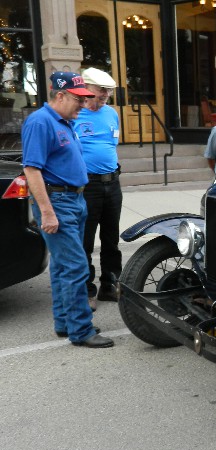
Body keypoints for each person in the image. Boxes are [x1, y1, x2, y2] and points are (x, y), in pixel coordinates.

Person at [21, 71, 114, 348]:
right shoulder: (41, 122)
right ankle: (82, 330)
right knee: (75, 266)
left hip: (74, 200)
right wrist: (47, 212)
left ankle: (65, 322)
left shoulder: (64, 120)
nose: (83, 105)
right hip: (58, 203)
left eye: (86, 99)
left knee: (63, 266)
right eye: (78, 99)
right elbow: (31, 169)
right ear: (60, 95)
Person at [74, 67, 122, 312]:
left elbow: (112, 144)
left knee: (111, 238)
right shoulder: (75, 113)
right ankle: (87, 288)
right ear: (87, 88)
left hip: (112, 183)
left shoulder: (112, 114)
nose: (105, 95)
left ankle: (110, 284)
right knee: (85, 240)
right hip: (87, 186)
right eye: (101, 90)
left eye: (108, 91)